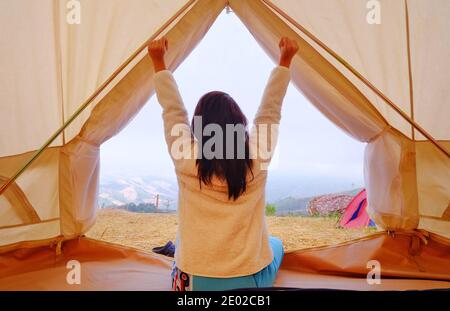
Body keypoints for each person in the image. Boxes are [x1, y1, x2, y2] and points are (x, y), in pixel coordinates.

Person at [148, 36, 298, 291]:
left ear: (198, 128)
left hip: (192, 284)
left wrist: (158, 61)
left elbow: (172, 112)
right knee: (276, 244)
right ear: (239, 125)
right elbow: (270, 111)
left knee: (181, 242)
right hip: (249, 282)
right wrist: (285, 60)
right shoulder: (257, 155)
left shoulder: (186, 157)